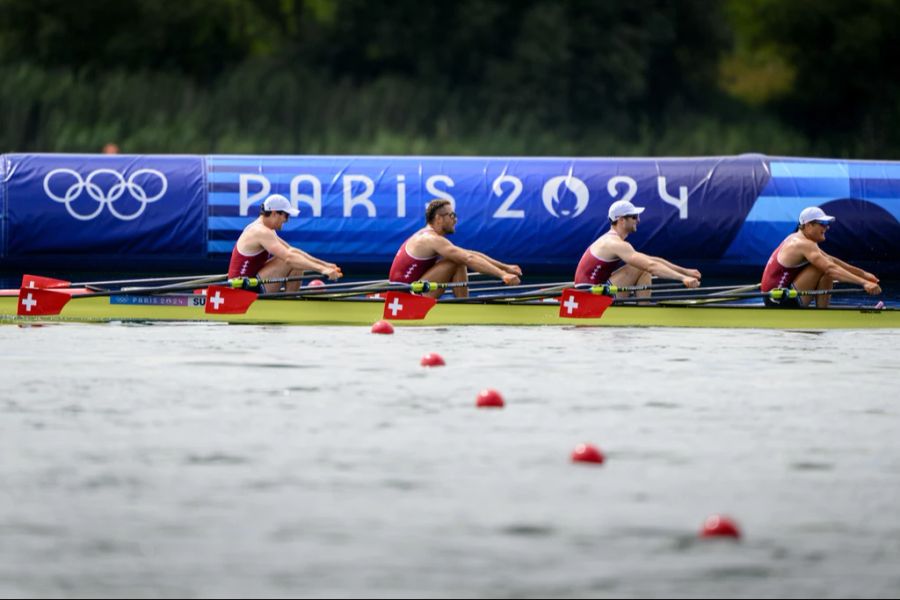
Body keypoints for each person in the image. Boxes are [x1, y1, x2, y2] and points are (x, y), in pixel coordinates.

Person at [389, 199, 522, 298]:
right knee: (457, 260)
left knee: (458, 258)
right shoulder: (430, 239)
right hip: (405, 298)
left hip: (410, 291)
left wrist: (506, 267)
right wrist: (503, 275)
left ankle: (464, 306)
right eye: (452, 215)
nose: (455, 220)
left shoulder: (431, 237)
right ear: (438, 219)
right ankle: (464, 308)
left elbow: (469, 254)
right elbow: (468, 258)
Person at [574, 199, 701, 296]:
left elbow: (652, 260)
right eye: (634, 217)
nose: (638, 220)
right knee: (640, 267)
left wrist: (685, 271)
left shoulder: (613, 240)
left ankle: (643, 313)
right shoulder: (614, 243)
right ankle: (644, 316)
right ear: (621, 220)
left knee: (642, 265)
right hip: (589, 296)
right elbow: (651, 266)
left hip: (595, 290)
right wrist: (683, 278)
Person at [760, 206, 880, 308]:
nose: (827, 227)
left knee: (825, 264)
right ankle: (822, 314)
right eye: (822, 224)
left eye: (827, 224)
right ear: (808, 226)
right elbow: (830, 268)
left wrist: (864, 274)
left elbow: (831, 260)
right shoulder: (803, 244)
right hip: (778, 299)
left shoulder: (799, 238)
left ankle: (822, 312)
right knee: (823, 268)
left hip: (778, 296)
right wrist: (864, 283)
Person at [228, 194, 342, 293]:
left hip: (251, 283)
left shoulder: (267, 229)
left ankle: (292, 304)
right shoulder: (260, 231)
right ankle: (290, 307)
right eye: (286, 215)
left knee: (297, 261)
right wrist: (322, 270)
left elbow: (292, 250)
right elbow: (288, 258)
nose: (287, 220)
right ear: (274, 213)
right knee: (289, 260)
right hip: (242, 290)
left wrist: (325, 265)